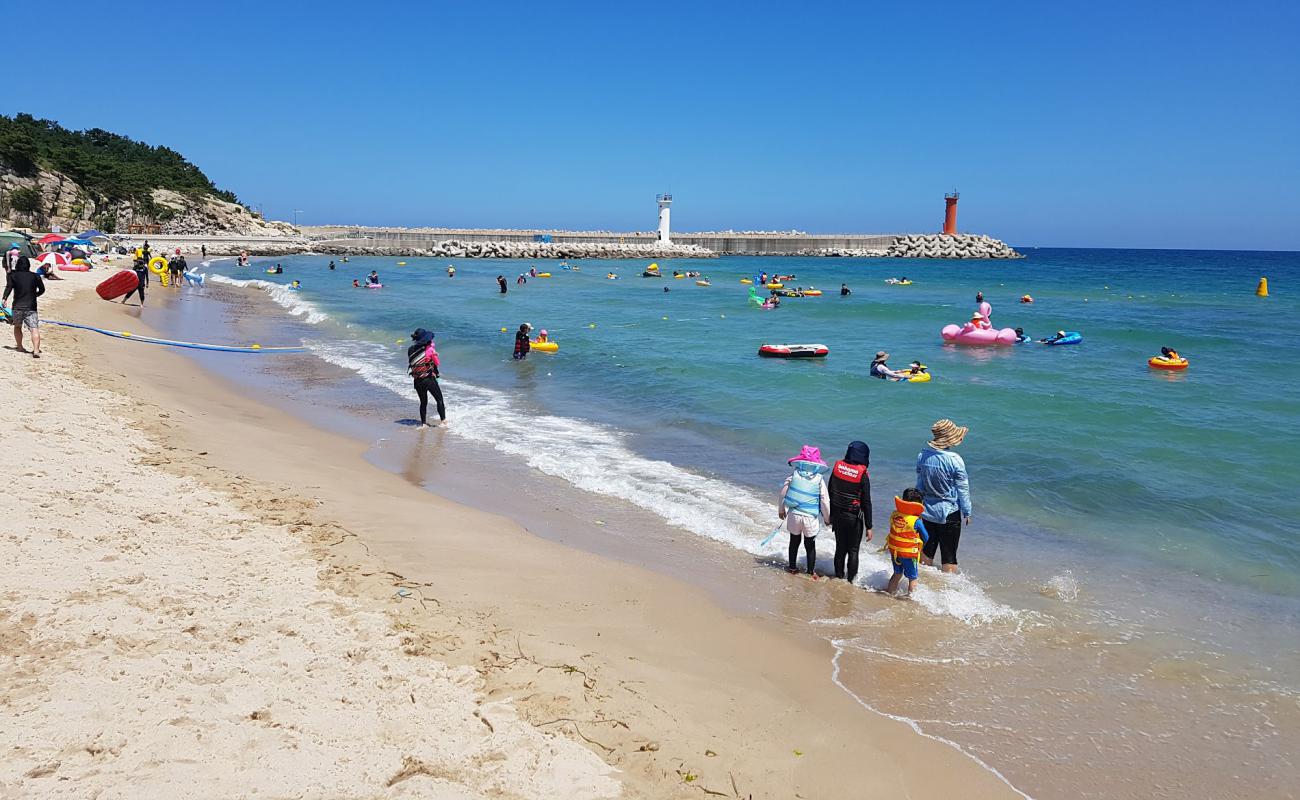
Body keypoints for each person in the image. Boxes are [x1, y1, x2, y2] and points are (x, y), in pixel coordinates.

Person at [916, 419, 971, 574]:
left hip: (926, 511)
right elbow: (963, 489)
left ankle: (923, 586)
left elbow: (919, 485)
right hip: (949, 512)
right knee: (949, 556)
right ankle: (949, 595)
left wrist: (916, 507)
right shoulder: (955, 460)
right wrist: (967, 512)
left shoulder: (923, 456)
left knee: (926, 552)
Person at [779, 445, 831, 577]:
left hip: (794, 514)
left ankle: (792, 568)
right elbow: (825, 500)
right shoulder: (819, 479)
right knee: (810, 545)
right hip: (810, 517)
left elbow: (783, 492)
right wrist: (827, 518)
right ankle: (810, 572)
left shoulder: (794, 474)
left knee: (794, 541)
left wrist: (781, 509)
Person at [828, 441, 873, 582]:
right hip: (854, 518)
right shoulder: (862, 475)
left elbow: (830, 492)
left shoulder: (838, 468)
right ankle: (850, 582)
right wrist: (869, 526)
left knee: (840, 548)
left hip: (837, 515)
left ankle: (838, 577)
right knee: (853, 550)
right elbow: (866, 502)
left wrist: (830, 514)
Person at [885, 488, 930, 596]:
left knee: (897, 574)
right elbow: (926, 537)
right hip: (909, 554)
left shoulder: (895, 515)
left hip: (895, 552)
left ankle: (889, 594)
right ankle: (911, 600)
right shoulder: (916, 521)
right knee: (912, 578)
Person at [3, 257, 44, 358]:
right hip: (31, 307)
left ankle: (20, 347)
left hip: (17, 306)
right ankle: (36, 350)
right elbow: (42, 289)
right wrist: (36, 295)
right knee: (34, 328)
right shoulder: (35, 276)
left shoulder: (13, 275)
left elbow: (9, 287)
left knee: (17, 326)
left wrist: (4, 298)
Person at [408, 328, 445, 427]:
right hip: (428, 379)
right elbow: (436, 363)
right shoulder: (428, 350)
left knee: (423, 402)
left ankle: (423, 423)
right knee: (439, 399)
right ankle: (443, 422)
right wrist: (434, 353)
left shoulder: (410, 350)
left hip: (417, 381)